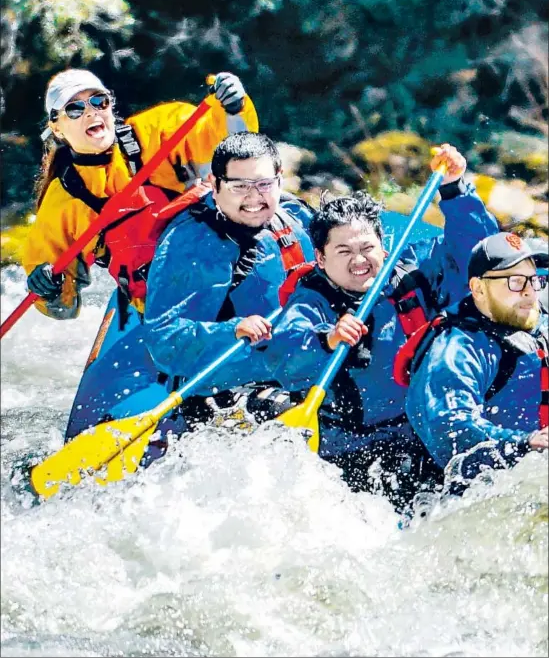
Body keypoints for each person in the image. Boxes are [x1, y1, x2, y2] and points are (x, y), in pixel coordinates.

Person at [254, 145, 499, 512]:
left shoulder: (412, 276)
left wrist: (454, 189)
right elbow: (284, 355)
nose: (359, 261)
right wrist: (328, 338)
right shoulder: (312, 300)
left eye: (367, 247)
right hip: (354, 451)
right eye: (343, 251)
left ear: (383, 247)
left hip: (424, 433)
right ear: (320, 258)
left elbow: (476, 257)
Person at [136, 131, 315, 465]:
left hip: (302, 366)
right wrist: (232, 330)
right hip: (226, 393)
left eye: (263, 184)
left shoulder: (293, 215)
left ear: (278, 181)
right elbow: (164, 340)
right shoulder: (192, 244)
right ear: (215, 186)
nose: (254, 197)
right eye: (239, 186)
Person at [22, 68, 258, 319]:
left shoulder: (157, 130)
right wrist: (46, 288)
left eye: (98, 101)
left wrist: (234, 107)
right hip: (163, 304)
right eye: (75, 109)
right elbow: (62, 306)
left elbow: (231, 144)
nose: (91, 111)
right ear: (57, 128)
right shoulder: (63, 199)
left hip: (229, 263)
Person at [404, 231, 548, 494]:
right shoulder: (456, 351)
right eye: (515, 282)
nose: (529, 292)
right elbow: (448, 427)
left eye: (534, 280)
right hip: (462, 496)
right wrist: (525, 444)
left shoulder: (537, 324)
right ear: (478, 289)